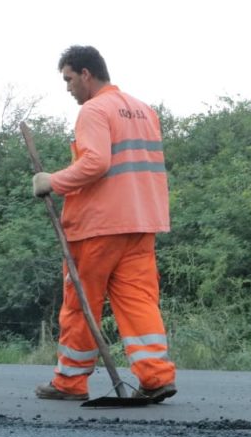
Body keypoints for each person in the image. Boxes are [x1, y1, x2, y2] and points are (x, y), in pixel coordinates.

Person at [32, 45, 177, 402]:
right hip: (142, 221)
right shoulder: (144, 110)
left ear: (86, 74)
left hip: (99, 225)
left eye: (68, 79)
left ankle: (69, 381)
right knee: (139, 301)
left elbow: (96, 163)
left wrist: (52, 181)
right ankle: (156, 376)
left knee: (82, 303)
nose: (67, 88)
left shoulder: (94, 110)